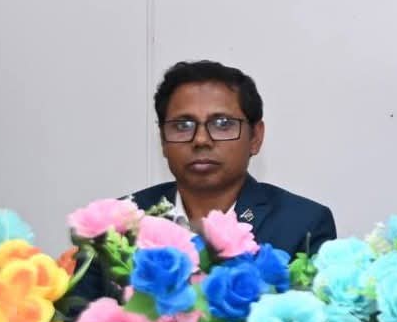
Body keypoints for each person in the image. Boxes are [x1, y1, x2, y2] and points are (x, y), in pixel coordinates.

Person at [133, 60, 337, 256]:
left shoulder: (303, 224)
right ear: (163, 140)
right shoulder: (125, 220)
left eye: (222, 124)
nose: (201, 140)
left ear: (255, 137)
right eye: (182, 125)